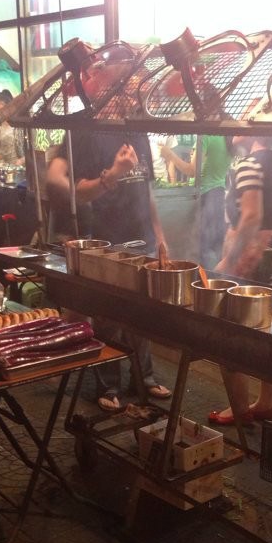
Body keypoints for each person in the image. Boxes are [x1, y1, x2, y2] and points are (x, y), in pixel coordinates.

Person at [63, 130, 172, 410]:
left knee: (143, 316)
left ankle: (143, 378)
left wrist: (160, 237)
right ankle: (108, 385)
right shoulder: (93, 135)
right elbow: (79, 193)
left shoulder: (140, 135)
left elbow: (147, 194)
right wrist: (114, 173)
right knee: (108, 317)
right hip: (109, 244)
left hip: (144, 243)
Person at [208, 134, 272, 426]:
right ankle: (266, 402)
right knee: (271, 333)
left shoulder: (246, 163)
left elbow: (251, 216)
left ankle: (240, 409)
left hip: (251, 262)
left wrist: (230, 261)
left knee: (229, 335)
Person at [160, 135, 230, 269]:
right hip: (218, 195)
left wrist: (170, 154)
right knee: (214, 247)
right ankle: (215, 278)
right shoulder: (224, 137)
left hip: (204, 196)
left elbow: (192, 171)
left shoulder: (206, 136)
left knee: (201, 250)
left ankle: (202, 279)